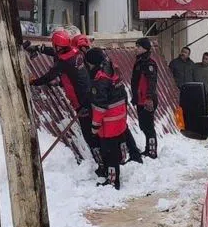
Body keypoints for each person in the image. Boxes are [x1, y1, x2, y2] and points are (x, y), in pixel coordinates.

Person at [27, 30, 101, 165]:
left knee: (89, 136)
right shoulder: (74, 52)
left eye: (54, 45)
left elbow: (49, 76)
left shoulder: (64, 62)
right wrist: (40, 49)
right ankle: (105, 160)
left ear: (58, 46)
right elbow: (56, 53)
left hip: (81, 102)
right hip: (91, 97)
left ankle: (101, 163)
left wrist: (33, 82)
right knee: (96, 131)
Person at [86, 47, 133, 188]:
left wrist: (95, 126)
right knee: (115, 148)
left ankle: (113, 182)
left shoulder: (100, 79)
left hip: (109, 122)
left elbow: (100, 106)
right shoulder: (111, 70)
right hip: (119, 116)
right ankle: (115, 171)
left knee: (109, 153)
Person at [130, 37, 159, 159]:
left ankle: (152, 150)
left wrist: (149, 98)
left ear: (145, 48)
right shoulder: (139, 62)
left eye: (139, 47)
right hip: (140, 100)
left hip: (147, 100)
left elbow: (151, 82)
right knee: (143, 125)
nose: (136, 49)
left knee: (149, 127)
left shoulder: (149, 63)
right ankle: (148, 149)